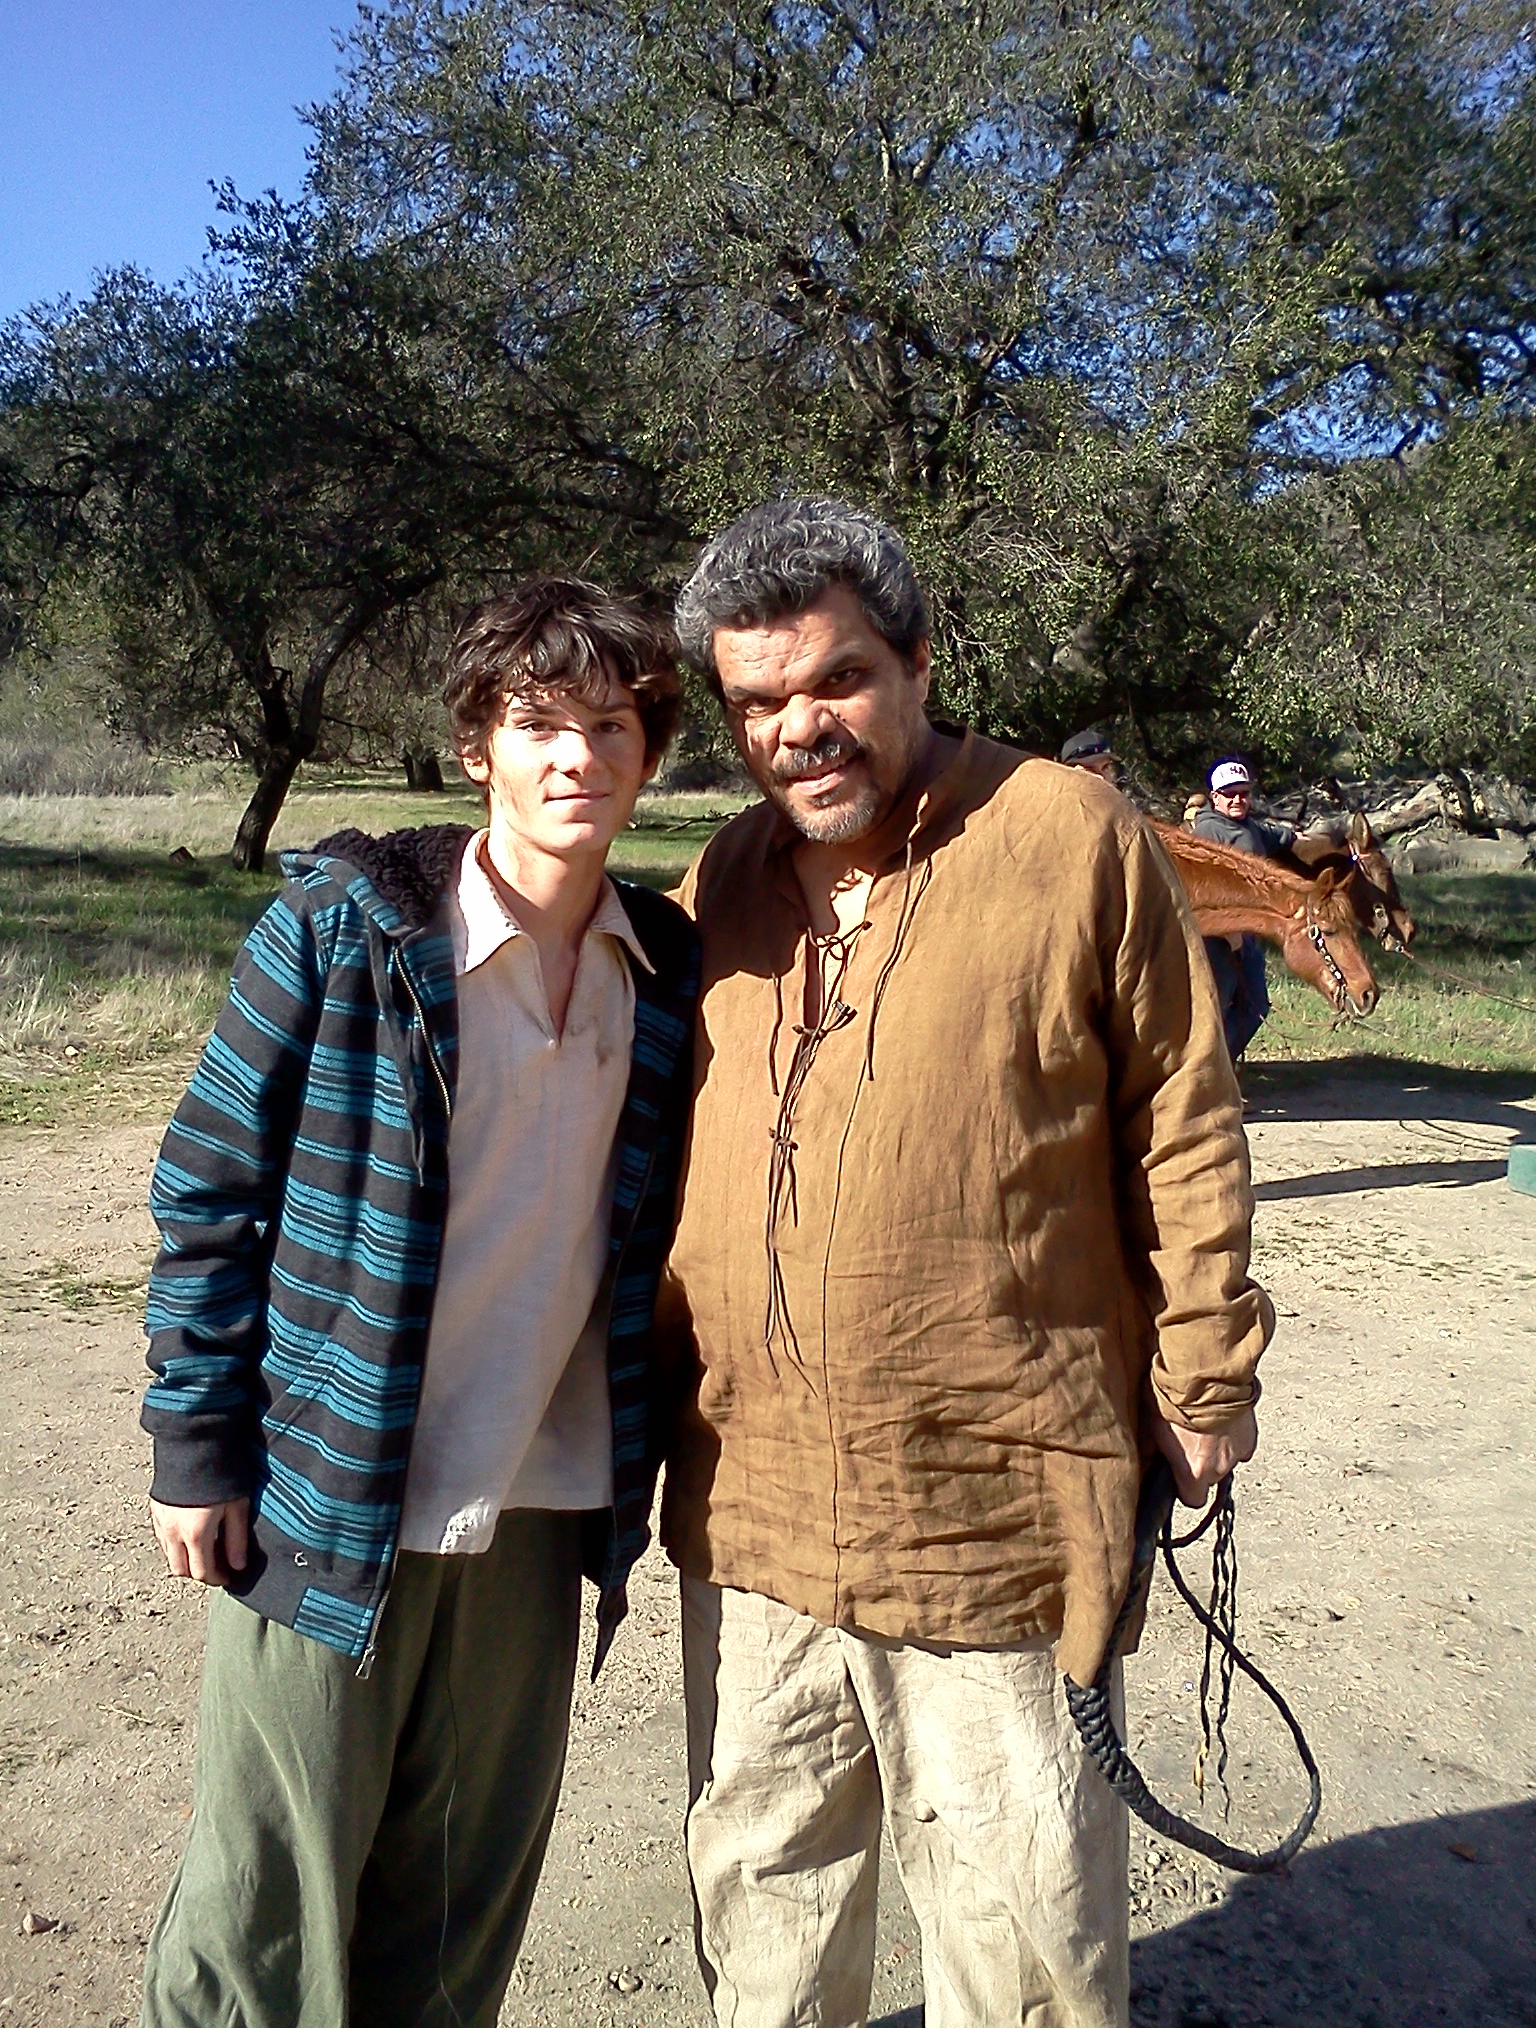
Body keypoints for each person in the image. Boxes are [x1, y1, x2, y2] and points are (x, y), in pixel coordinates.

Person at [659, 497, 1273, 2028]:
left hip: (992, 1502)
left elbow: (1184, 1118)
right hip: (756, 1509)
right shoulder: (721, 883)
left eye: (836, 682)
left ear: (920, 663)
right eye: (758, 703)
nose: (801, 728)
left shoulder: (1071, 841)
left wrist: (1207, 1371)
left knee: (1021, 1934)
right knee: (766, 1914)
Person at [138, 579, 699, 2028]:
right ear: (478, 748)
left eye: (614, 727)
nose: (579, 758)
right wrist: (197, 1450)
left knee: (456, 1906)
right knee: (269, 1908)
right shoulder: (346, 932)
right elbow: (208, 1187)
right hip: (331, 1494)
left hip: (539, 1500)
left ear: (653, 753)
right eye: (541, 726)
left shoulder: (669, 971)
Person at [1191, 758, 1295, 1060]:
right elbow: (1206, 889)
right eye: (1230, 793)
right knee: (1216, 1008)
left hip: (1248, 935)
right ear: (1215, 797)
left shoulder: (1248, 826)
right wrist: (1228, 931)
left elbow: (1275, 835)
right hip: (1218, 940)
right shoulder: (1209, 833)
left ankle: (1220, 1069)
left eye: (1244, 793)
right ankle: (1206, 1074)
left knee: (1255, 1005)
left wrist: (1301, 839)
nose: (1238, 799)